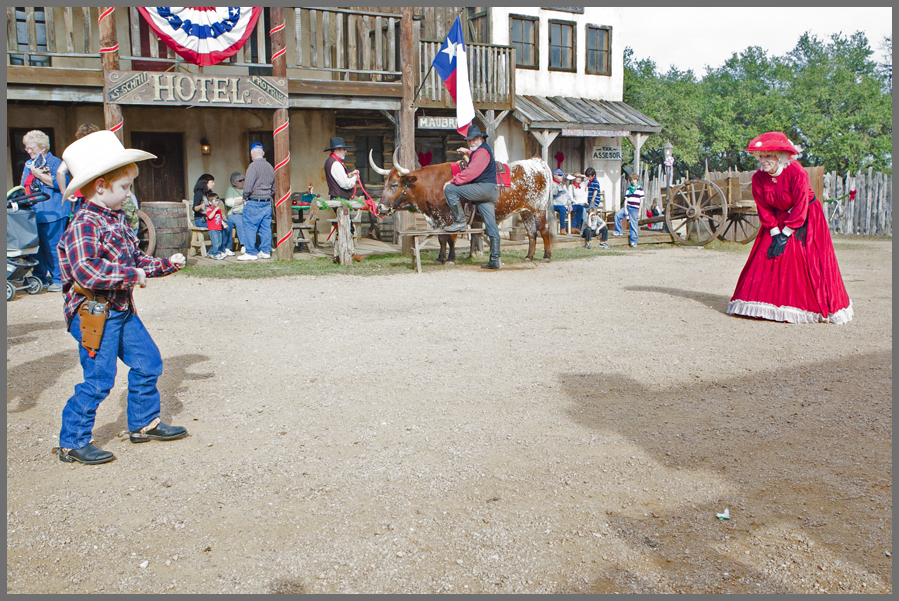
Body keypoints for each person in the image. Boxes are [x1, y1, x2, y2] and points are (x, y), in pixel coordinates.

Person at [54, 130, 188, 465]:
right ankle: (72, 441)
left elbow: (136, 260)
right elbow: (87, 271)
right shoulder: (84, 223)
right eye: (125, 187)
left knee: (148, 362)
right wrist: (132, 275)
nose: (129, 194)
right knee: (99, 379)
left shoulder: (115, 220)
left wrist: (166, 265)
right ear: (100, 186)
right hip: (94, 312)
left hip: (120, 308)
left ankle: (143, 423)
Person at [727, 131, 853, 324]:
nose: (764, 161)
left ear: (780, 156)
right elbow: (763, 207)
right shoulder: (758, 178)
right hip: (776, 219)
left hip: (806, 217)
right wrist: (775, 232)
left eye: (769, 156)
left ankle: (803, 306)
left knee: (800, 258)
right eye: (761, 156)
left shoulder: (796, 172)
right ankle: (766, 304)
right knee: (766, 255)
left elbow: (801, 204)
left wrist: (786, 233)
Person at [442, 124, 502, 269]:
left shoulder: (482, 153)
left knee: (450, 190)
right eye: (469, 140)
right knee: (491, 226)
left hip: (483, 189)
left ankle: (460, 221)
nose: (471, 142)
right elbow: (476, 155)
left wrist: (452, 181)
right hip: (489, 191)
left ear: (481, 139)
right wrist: (468, 151)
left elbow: (471, 173)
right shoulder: (481, 150)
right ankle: (495, 259)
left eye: (474, 139)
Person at [21, 130, 66, 291]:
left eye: (31, 148)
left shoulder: (55, 163)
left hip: (54, 211)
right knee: (36, 248)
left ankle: (58, 279)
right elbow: (24, 185)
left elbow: (61, 184)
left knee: (53, 247)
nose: (28, 151)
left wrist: (39, 174)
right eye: (26, 148)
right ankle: (40, 277)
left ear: (42, 147)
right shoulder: (29, 164)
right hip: (34, 212)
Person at [56, 123, 101, 221]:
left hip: (81, 194)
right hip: (100, 192)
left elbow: (60, 172)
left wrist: (65, 192)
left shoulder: (75, 151)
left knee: (82, 224)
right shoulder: (99, 150)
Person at [238, 143, 275, 261]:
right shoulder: (270, 167)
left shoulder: (252, 167)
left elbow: (247, 186)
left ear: (252, 154)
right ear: (263, 153)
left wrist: (245, 197)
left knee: (250, 227)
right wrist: (268, 195)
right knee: (265, 228)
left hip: (254, 201)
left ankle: (250, 252)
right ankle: (265, 251)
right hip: (267, 201)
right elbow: (274, 187)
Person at [613, 171, 644, 247]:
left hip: (635, 208)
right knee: (617, 215)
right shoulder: (628, 189)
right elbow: (626, 200)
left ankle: (633, 241)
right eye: (632, 180)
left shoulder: (640, 189)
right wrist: (625, 209)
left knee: (633, 224)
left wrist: (639, 212)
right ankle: (619, 231)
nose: (633, 181)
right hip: (628, 207)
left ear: (637, 180)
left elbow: (641, 201)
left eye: (634, 179)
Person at [223, 171, 246, 251]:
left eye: (243, 180)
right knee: (240, 222)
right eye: (240, 180)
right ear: (234, 182)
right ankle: (244, 245)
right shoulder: (231, 189)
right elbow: (229, 202)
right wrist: (242, 200)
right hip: (234, 214)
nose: (243, 182)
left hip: (246, 212)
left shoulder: (246, 189)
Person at [550, 169, 574, 235]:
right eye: (560, 175)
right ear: (555, 176)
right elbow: (554, 193)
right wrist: (562, 185)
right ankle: (562, 228)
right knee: (562, 209)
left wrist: (570, 204)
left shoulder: (562, 184)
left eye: (562, 175)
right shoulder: (552, 184)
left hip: (565, 204)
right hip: (555, 204)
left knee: (580, 208)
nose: (562, 177)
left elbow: (567, 195)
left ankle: (574, 228)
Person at [205, 193, 228, 260]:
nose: (217, 202)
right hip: (212, 229)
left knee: (219, 242)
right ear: (210, 202)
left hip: (218, 228)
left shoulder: (218, 210)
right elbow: (210, 216)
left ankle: (210, 253)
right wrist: (215, 210)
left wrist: (223, 223)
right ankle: (216, 254)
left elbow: (219, 218)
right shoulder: (209, 209)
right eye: (215, 201)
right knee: (216, 243)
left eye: (218, 200)